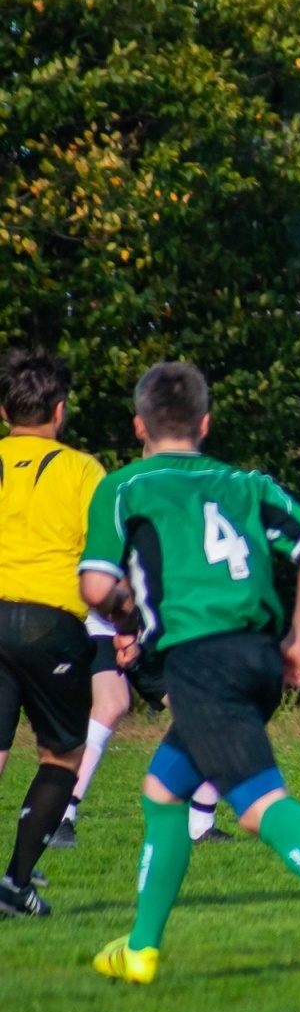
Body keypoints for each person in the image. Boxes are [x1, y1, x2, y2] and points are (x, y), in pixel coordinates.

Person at [79, 361, 300, 987]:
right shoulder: (248, 483)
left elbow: (95, 584)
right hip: (256, 657)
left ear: (138, 425)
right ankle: (140, 948)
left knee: (255, 806)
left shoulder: (126, 486)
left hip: (202, 663)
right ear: (205, 422)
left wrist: (126, 615)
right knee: (163, 789)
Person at [0, 348, 106, 917]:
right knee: (62, 755)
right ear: (60, 412)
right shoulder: (83, 470)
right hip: (49, 621)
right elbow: (107, 556)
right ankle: (15, 886)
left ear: (2, 410)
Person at [50, 614, 232, 850]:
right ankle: (62, 815)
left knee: (213, 716)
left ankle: (201, 826)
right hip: (108, 630)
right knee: (111, 706)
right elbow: (100, 587)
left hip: (157, 636)